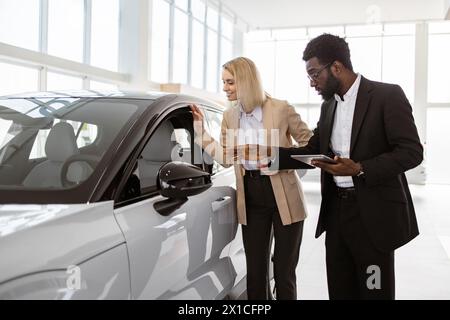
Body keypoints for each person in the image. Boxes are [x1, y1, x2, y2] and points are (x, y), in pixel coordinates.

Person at [268, 34, 423, 299]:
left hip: (373, 216)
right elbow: (312, 150)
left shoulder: (387, 95)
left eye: (315, 74)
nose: (312, 82)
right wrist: (267, 157)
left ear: (337, 67)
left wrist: (360, 168)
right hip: (337, 214)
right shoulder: (328, 106)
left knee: (374, 290)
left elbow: (411, 152)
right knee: (340, 290)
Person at [190, 57, 313, 300]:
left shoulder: (281, 109)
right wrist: (201, 133)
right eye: (224, 82)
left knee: (283, 271)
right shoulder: (229, 117)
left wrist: (275, 158)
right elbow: (226, 158)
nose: (225, 88)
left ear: (246, 81)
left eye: (230, 82)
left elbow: (311, 146)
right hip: (251, 195)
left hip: (284, 196)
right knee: (255, 272)